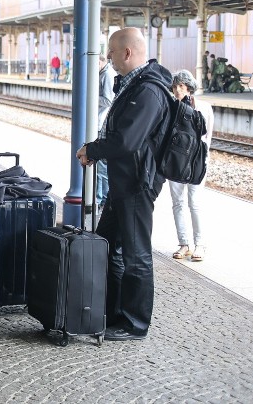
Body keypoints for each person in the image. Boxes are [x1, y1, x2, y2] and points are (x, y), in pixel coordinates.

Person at [75, 27, 173, 342]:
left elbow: (128, 141)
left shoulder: (148, 91)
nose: (110, 60)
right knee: (107, 246)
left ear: (127, 53)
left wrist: (93, 150)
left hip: (136, 185)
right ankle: (114, 312)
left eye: (112, 54)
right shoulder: (135, 86)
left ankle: (135, 323)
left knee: (136, 254)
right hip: (123, 183)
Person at [169, 70, 214, 262]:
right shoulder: (171, 107)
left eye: (181, 86)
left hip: (196, 161)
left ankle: (200, 244)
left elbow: (207, 137)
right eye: (176, 86)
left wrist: (203, 159)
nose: (178, 90)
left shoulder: (204, 107)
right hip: (175, 161)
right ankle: (183, 243)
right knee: (178, 203)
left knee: (194, 202)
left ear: (189, 87)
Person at [95, 54, 117, 207]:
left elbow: (108, 100)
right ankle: (101, 198)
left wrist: (90, 97)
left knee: (102, 166)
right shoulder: (102, 73)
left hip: (102, 122)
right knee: (99, 166)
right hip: (99, 122)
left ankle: (102, 199)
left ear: (101, 61)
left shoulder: (108, 75)